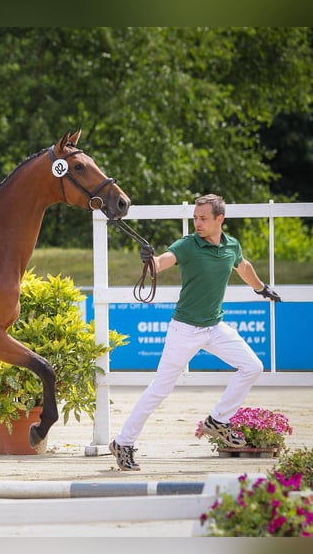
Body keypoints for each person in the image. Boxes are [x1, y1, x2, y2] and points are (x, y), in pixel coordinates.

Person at [109, 194, 282, 471]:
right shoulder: (188, 244)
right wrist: (149, 261)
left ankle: (217, 421)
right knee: (160, 389)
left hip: (215, 327)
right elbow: (163, 261)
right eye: (195, 218)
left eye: (203, 218)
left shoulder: (231, 246)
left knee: (253, 366)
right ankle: (123, 443)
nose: (197, 223)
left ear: (219, 219)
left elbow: (243, 266)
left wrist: (260, 288)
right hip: (185, 329)